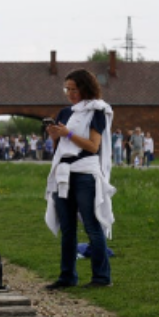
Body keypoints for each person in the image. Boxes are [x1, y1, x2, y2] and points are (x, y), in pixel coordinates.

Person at [44, 68, 114, 289]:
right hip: (64, 172)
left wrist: (69, 135)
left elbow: (93, 146)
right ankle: (67, 276)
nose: (70, 93)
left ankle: (102, 278)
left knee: (92, 226)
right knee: (68, 228)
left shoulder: (97, 111)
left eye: (74, 89)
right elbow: (61, 148)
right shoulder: (65, 113)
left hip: (85, 173)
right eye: (67, 89)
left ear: (85, 88)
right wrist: (55, 137)